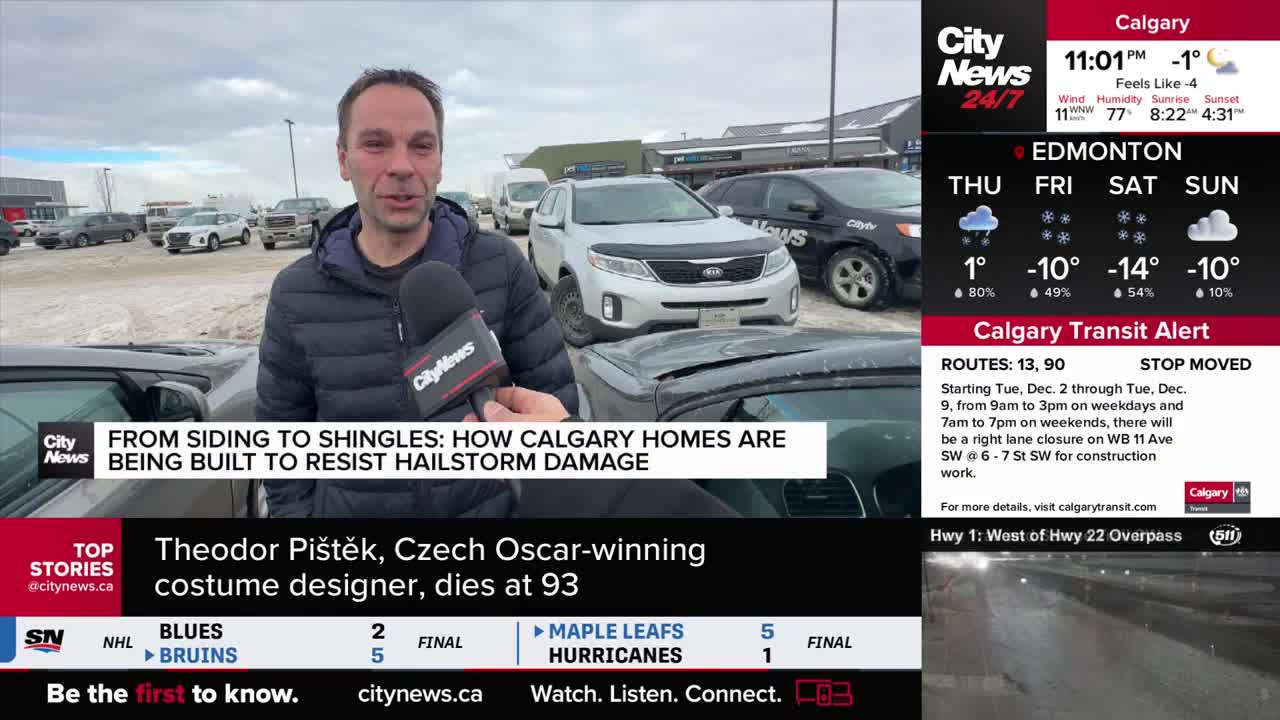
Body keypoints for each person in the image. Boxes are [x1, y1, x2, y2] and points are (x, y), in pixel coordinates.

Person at [255, 67, 577, 518]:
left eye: (421, 146)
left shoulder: (502, 267)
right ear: (344, 160)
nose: (403, 166)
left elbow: (558, 415)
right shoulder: (296, 294)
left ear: (440, 162)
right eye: (375, 143)